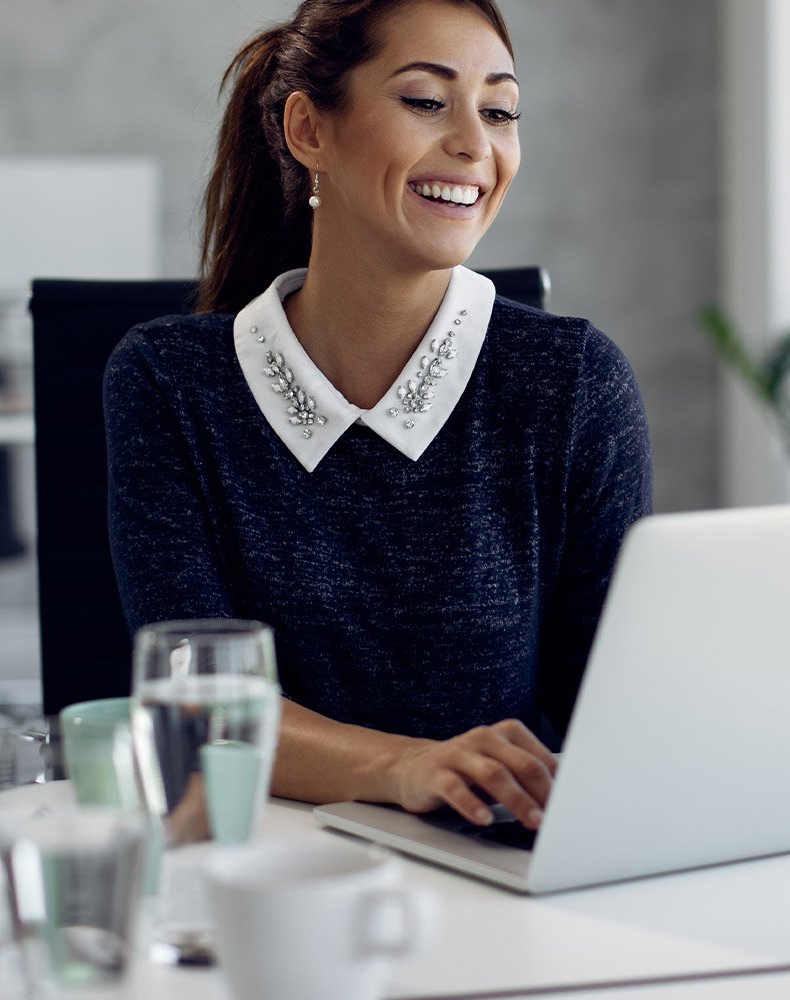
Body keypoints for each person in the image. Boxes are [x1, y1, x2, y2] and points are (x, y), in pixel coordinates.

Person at [104, 0, 653, 832]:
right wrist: (406, 766)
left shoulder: (573, 383)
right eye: (427, 102)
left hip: (497, 876)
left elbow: (617, 721)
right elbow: (199, 711)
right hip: (257, 880)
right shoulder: (169, 383)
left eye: (500, 110)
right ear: (308, 131)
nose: (476, 144)